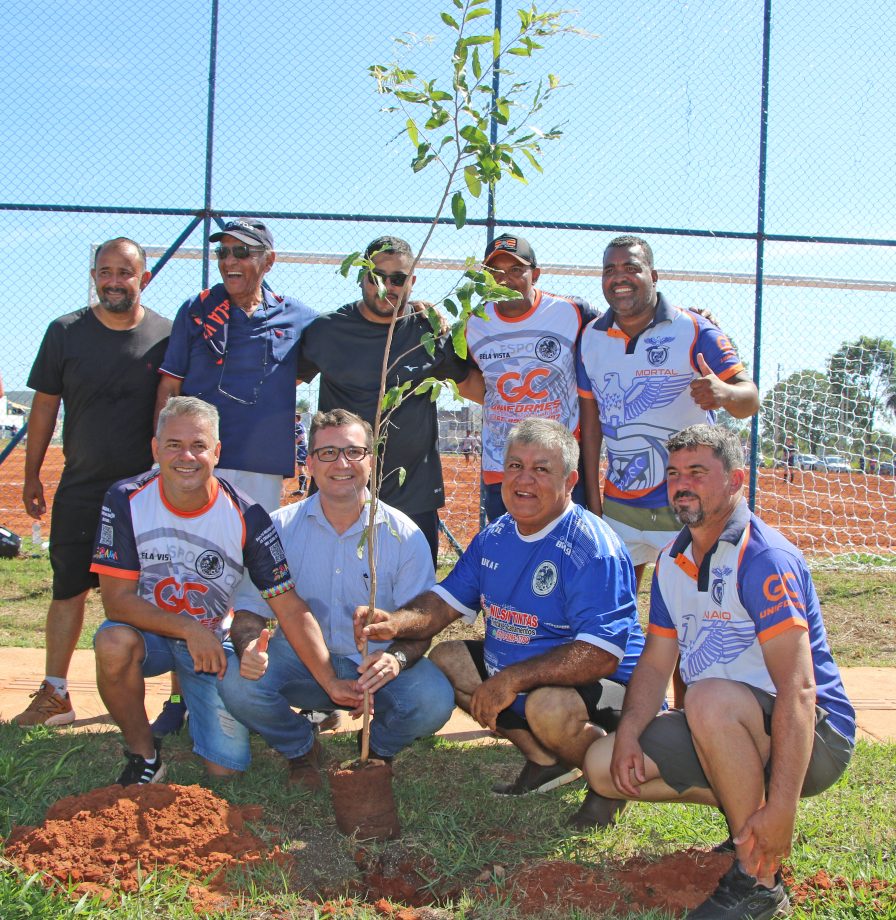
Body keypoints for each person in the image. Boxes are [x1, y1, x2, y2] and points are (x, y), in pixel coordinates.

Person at [583, 424, 855, 919]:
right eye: (673, 473)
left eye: (697, 472)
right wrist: (629, 733)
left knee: (705, 698)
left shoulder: (764, 558)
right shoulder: (672, 559)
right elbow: (655, 661)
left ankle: (759, 879)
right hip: (728, 722)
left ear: (735, 480)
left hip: (815, 735)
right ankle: (746, 820)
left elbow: (798, 691)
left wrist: (784, 810)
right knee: (603, 767)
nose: (681, 483)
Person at [357, 418, 645, 828]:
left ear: (570, 480)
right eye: (514, 466)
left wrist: (511, 680)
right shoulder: (496, 535)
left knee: (548, 704)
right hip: (533, 674)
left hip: (610, 688)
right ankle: (546, 761)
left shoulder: (592, 547)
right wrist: (395, 623)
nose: (523, 479)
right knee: (449, 660)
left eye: (541, 469)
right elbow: (444, 602)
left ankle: (607, 783)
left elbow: (600, 655)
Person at [90, 397, 361, 784]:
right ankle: (144, 755)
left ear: (216, 452)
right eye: (173, 445)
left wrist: (330, 680)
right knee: (112, 643)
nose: (187, 456)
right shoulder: (125, 499)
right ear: (155, 449)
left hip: (211, 648)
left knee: (226, 769)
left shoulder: (246, 514)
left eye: (199, 445)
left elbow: (288, 605)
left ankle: (229, 720)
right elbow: (117, 602)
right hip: (150, 634)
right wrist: (189, 629)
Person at [218, 408, 454, 786]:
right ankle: (300, 748)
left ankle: (378, 750)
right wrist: (248, 647)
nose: (341, 463)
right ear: (309, 463)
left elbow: (421, 624)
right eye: (327, 453)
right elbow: (248, 609)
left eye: (353, 452)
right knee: (238, 683)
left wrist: (393, 660)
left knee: (433, 701)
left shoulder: (405, 535)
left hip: (378, 667)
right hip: (303, 660)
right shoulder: (278, 528)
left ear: (371, 461)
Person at [14, 238, 171, 727]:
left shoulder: (165, 335)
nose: (113, 281)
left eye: (124, 272)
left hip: (145, 494)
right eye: (104, 272)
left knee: (153, 594)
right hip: (82, 489)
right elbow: (45, 405)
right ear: (94, 277)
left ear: (142, 279)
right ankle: (56, 693)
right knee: (68, 591)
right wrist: (33, 472)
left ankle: (169, 700)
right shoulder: (64, 332)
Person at [577, 235, 759, 589]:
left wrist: (723, 393)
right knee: (610, 604)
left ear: (654, 275)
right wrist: (594, 503)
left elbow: (749, 398)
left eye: (632, 267)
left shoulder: (693, 328)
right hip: (621, 505)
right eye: (609, 269)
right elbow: (591, 424)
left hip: (686, 501)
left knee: (691, 607)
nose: (619, 277)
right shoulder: (590, 338)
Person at [296, 235, 482, 565]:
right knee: (331, 590)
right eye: (377, 277)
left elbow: (474, 387)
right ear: (362, 276)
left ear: (411, 281)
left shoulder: (429, 332)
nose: (386, 287)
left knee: (413, 598)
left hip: (414, 495)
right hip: (340, 491)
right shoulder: (327, 332)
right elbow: (282, 385)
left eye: (397, 279)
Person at [156, 218, 315, 513]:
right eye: (223, 252)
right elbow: (170, 386)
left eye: (242, 252)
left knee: (254, 552)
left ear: (268, 261)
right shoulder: (196, 309)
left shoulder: (297, 316)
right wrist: (163, 452)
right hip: (198, 459)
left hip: (261, 466)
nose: (230, 260)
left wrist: (411, 308)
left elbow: (346, 330)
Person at [465, 233, 599, 520]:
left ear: (535, 275)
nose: (505, 280)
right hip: (502, 466)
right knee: (509, 555)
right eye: (495, 273)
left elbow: (621, 326)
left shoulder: (571, 312)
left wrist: (692, 314)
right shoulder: (473, 325)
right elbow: (463, 377)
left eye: (516, 270)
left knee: (568, 552)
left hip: (557, 463)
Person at [291, 413, 309, 496]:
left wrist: (293, 443)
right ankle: (302, 488)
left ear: (296, 418)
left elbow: (301, 436)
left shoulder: (297, 425)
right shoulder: (301, 425)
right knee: (301, 468)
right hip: (302, 449)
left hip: (302, 449)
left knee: (301, 468)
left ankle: (302, 489)